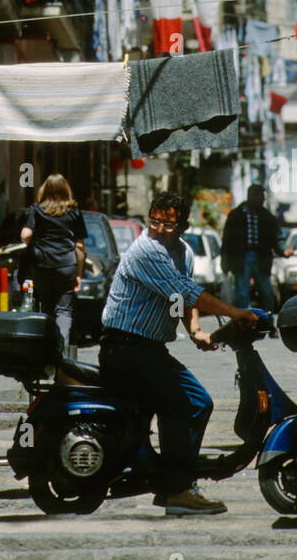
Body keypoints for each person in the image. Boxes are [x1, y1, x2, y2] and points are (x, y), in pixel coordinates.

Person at [99, 190, 258, 516]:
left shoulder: (182, 252)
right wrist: (233, 311)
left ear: (183, 226)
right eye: (155, 220)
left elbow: (184, 296)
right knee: (191, 403)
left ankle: (172, 480)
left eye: (168, 224)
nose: (159, 228)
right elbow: (186, 291)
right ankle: (178, 488)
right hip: (126, 348)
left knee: (190, 403)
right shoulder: (147, 251)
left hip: (148, 348)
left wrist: (195, 330)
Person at [20, 174, 86, 345]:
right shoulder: (74, 212)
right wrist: (78, 272)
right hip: (66, 265)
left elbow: (26, 235)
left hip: (42, 264)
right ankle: (61, 349)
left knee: (46, 308)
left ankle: (47, 349)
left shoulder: (37, 209)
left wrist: (35, 244)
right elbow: (79, 246)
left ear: (45, 189)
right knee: (64, 310)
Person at [220, 183, 281, 311]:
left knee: (266, 293)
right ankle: (244, 324)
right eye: (261, 196)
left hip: (261, 259)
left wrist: (282, 250)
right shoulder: (235, 215)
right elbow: (227, 241)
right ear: (251, 196)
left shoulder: (267, 216)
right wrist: (225, 263)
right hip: (242, 259)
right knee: (242, 293)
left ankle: (267, 321)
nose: (263, 199)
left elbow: (275, 237)